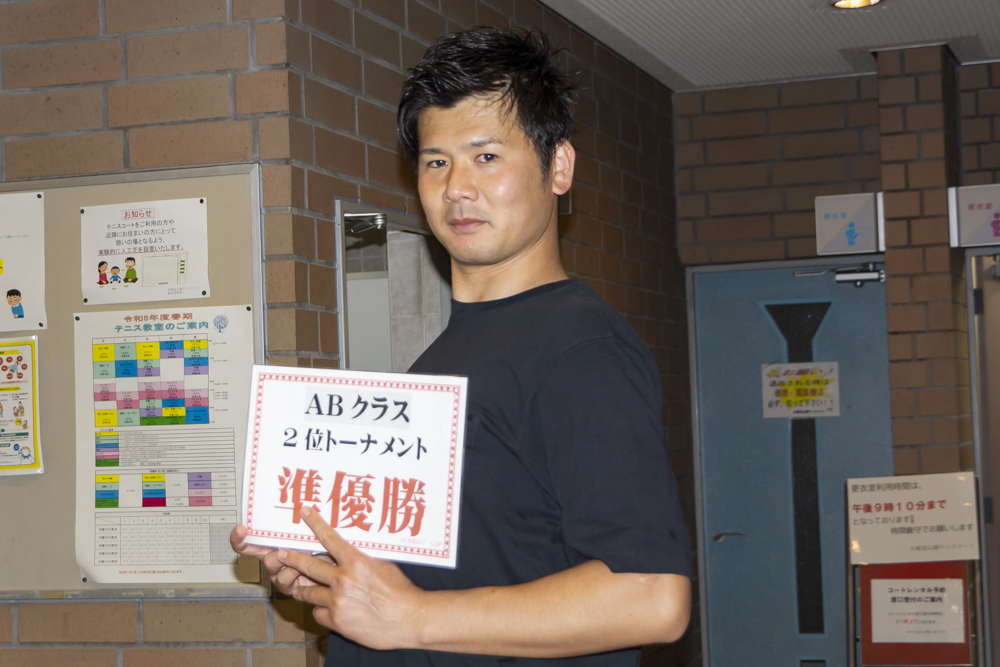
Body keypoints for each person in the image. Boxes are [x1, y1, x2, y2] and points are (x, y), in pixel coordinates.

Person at [232, 27, 691, 665]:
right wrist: (327, 570)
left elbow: (652, 597)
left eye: (487, 156)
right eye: (436, 162)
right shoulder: (447, 356)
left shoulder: (580, 349)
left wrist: (412, 617)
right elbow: (468, 562)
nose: (456, 188)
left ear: (558, 167)